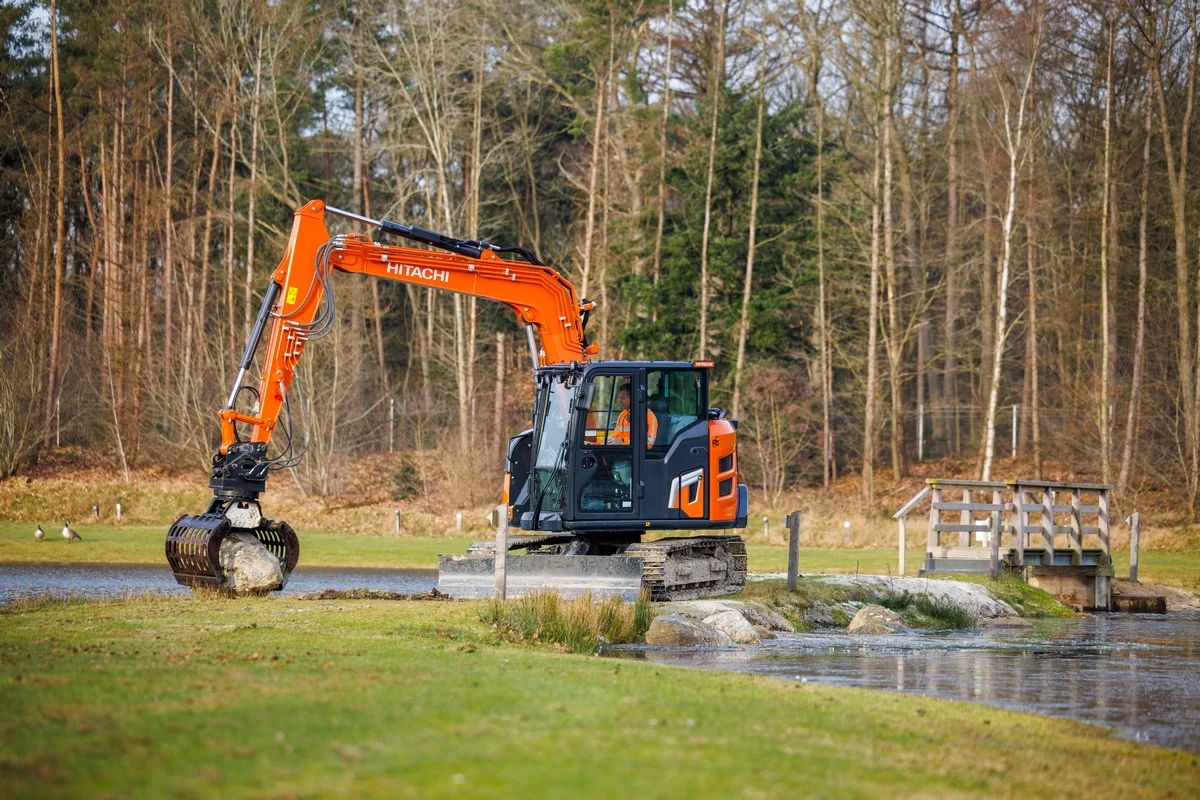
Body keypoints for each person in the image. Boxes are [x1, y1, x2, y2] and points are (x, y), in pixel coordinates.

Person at [610, 383, 658, 447]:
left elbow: (649, 442)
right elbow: (615, 435)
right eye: (620, 398)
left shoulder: (649, 416)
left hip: (632, 453)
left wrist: (623, 442)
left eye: (623, 398)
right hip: (621, 449)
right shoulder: (623, 414)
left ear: (633, 399)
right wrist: (601, 443)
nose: (620, 401)